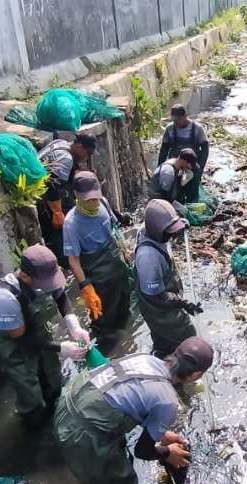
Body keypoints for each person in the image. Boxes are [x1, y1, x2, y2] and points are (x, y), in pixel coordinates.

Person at [53, 336, 214, 484]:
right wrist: (168, 453)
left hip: (68, 401)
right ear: (196, 375)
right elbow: (142, 451)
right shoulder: (168, 401)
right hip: (80, 431)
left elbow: (127, 396)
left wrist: (161, 433)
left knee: (116, 457)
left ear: (175, 351)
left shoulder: (145, 359)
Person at [0, 244, 90, 425]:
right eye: (45, 284)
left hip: (38, 334)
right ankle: (34, 425)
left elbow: (60, 296)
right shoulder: (5, 298)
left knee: (54, 381)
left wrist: (73, 324)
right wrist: (60, 347)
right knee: (30, 395)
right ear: (25, 276)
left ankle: (57, 416)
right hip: (14, 346)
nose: (49, 286)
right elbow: (19, 336)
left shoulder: (46, 274)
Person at [64, 171, 131, 351]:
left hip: (116, 265)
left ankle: (126, 343)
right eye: (88, 200)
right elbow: (73, 260)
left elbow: (115, 229)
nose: (93, 203)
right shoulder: (71, 223)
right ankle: (102, 351)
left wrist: (125, 251)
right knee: (102, 317)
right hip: (98, 276)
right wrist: (85, 286)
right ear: (76, 196)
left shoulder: (103, 203)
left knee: (124, 308)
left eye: (95, 198)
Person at [135, 199, 201, 357]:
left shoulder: (148, 229)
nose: (171, 234)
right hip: (157, 305)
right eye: (169, 231)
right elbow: (158, 297)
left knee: (164, 341)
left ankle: (161, 356)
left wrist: (180, 225)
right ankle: (179, 374)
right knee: (187, 337)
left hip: (161, 291)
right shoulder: (148, 258)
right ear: (157, 230)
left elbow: (168, 226)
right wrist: (183, 303)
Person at [37, 134, 97, 269]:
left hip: (41, 190)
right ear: (80, 146)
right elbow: (52, 185)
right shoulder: (66, 158)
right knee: (59, 232)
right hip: (43, 199)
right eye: (87, 154)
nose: (87, 158)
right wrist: (57, 213)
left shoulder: (61, 143)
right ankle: (64, 264)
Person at [157, 104, 209, 204]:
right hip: (176, 165)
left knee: (192, 189)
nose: (175, 123)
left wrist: (200, 168)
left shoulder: (197, 128)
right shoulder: (169, 129)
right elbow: (164, 149)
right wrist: (160, 167)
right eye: (174, 120)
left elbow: (205, 149)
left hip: (192, 165)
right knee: (176, 190)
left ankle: (191, 206)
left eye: (177, 120)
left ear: (185, 116)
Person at [150, 148, 200, 212]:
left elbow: (179, 183)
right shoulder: (168, 172)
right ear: (183, 160)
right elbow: (164, 196)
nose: (190, 168)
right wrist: (178, 207)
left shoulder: (176, 164)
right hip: (158, 202)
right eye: (189, 165)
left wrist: (187, 176)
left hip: (167, 196)